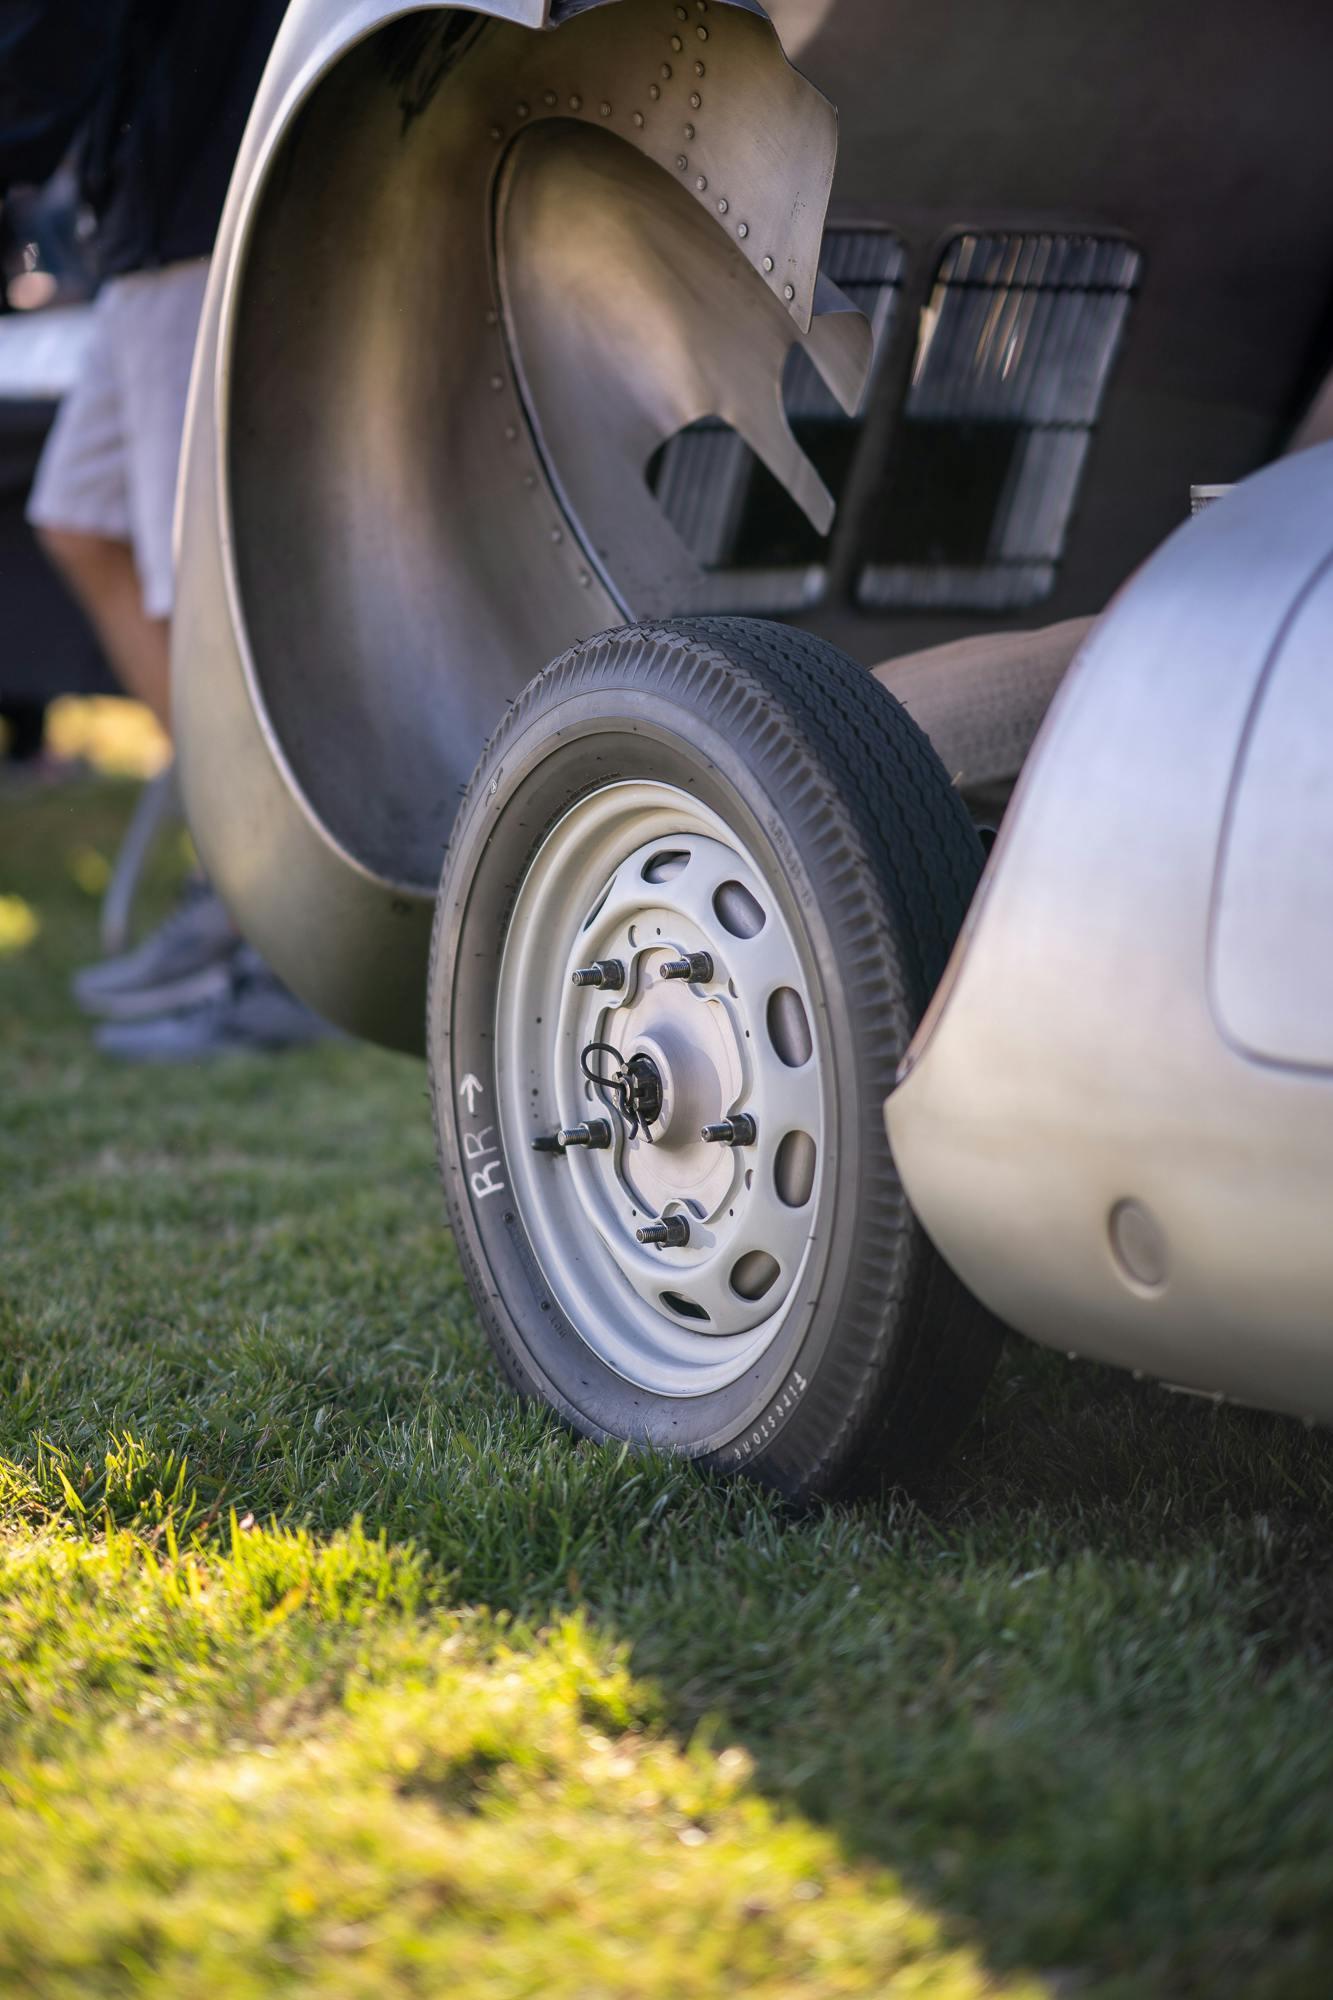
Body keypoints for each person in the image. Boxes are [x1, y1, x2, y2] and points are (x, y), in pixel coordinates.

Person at [1, 0, 331, 1059]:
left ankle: (284, 944)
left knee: (204, 603)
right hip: (146, 216)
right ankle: (238, 871)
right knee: (78, 519)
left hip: (206, 191)